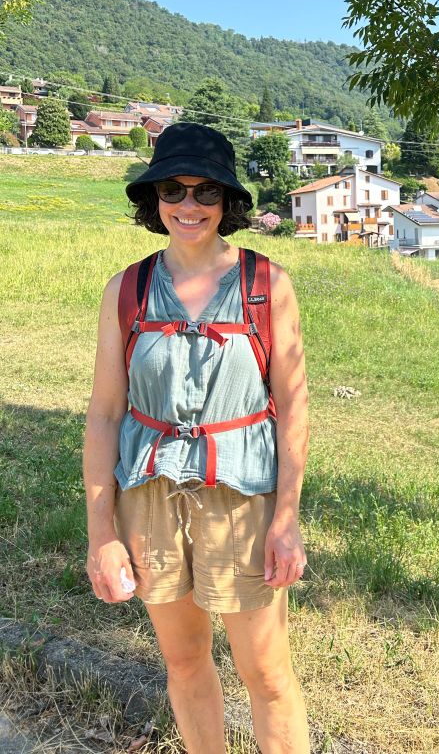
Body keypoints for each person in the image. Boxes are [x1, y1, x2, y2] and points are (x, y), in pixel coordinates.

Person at [82, 122, 311, 754]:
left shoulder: (267, 286)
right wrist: (102, 532)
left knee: (265, 674)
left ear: (227, 202)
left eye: (206, 192)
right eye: (174, 190)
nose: (189, 206)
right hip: (150, 496)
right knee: (183, 665)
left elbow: (293, 407)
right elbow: (105, 414)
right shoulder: (126, 290)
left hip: (242, 499)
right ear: (154, 199)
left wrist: (287, 518)